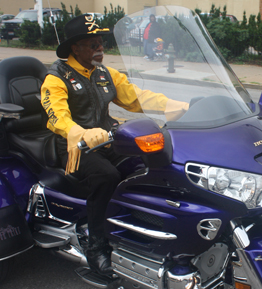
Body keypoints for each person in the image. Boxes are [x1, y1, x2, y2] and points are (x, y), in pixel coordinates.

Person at [41, 14, 187, 275]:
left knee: (149, 165)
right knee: (106, 177)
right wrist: (79, 132)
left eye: (101, 44)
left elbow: (137, 98)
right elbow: (56, 116)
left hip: (107, 141)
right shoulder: (56, 78)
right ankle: (96, 246)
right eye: (93, 44)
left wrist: (177, 106)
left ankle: (137, 229)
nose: (101, 50)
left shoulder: (105, 74)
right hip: (74, 148)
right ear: (76, 48)